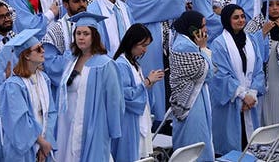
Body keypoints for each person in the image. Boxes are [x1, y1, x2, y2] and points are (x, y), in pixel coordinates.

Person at [55, 12, 122, 161]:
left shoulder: (105, 64)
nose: (81, 37)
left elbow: (114, 100)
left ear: (94, 36)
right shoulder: (71, 60)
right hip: (67, 125)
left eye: (86, 33)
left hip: (93, 124)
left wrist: (112, 129)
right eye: (78, 33)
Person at [210, 4, 265, 154]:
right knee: (232, 147)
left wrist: (252, 94)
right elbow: (221, 76)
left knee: (250, 145)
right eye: (236, 17)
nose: (241, 20)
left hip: (250, 103)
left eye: (242, 16)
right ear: (227, 20)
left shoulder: (251, 40)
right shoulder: (219, 44)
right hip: (230, 103)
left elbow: (259, 70)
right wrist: (242, 96)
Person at [0, 28, 56, 161]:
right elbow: (19, 121)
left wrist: (46, 142)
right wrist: (41, 142)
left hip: (44, 147)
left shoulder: (44, 79)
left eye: (42, 47)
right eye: (38, 49)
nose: (43, 51)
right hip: (23, 152)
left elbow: (51, 112)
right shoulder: (13, 86)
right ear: (26, 55)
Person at [111, 23, 164, 161]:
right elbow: (124, 95)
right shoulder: (121, 64)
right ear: (132, 42)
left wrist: (150, 83)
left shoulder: (134, 63)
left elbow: (141, 92)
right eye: (143, 45)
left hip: (139, 118)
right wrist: (147, 82)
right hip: (128, 121)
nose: (145, 50)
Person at [168, 10, 215, 161]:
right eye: (203, 26)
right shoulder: (184, 46)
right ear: (192, 29)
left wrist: (201, 50)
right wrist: (202, 48)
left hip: (199, 98)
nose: (206, 30)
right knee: (194, 141)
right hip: (190, 103)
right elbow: (208, 73)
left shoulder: (188, 43)